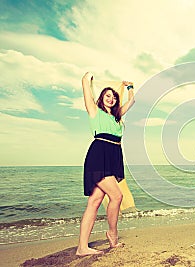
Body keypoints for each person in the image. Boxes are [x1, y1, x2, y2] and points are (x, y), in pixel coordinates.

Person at [76, 72, 135, 256]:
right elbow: (85, 87)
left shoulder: (117, 116)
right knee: (116, 196)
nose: (111, 99)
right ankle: (112, 234)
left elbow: (131, 102)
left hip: (113, 156)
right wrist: (87, 78)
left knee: (95, 201)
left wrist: (130, 88)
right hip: (99, 156)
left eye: (114, 97)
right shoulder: (95, 111)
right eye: (107, 96)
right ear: (102, 98)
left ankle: (82, 247)